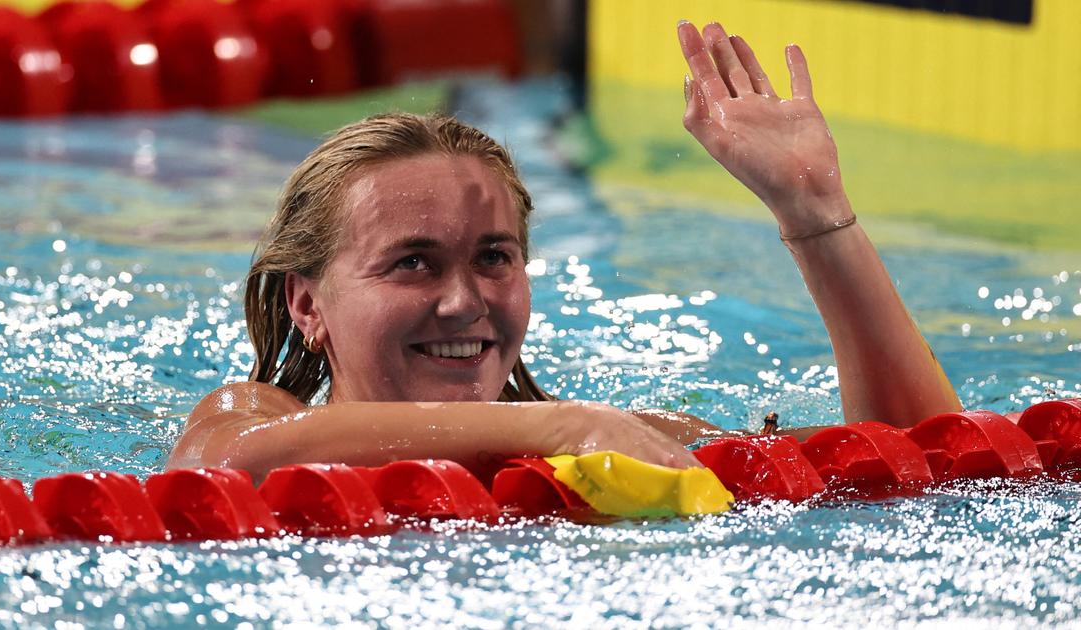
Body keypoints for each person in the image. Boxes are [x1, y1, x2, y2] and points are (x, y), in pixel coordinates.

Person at [167, 22, 961, 481]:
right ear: (307, 303)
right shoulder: (260, 416)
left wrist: (816, 214)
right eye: (413, 262)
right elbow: (220, 463)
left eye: (494, 257)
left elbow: (921, 467)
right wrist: (553, 430)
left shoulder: (618, 436)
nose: (463, 301)